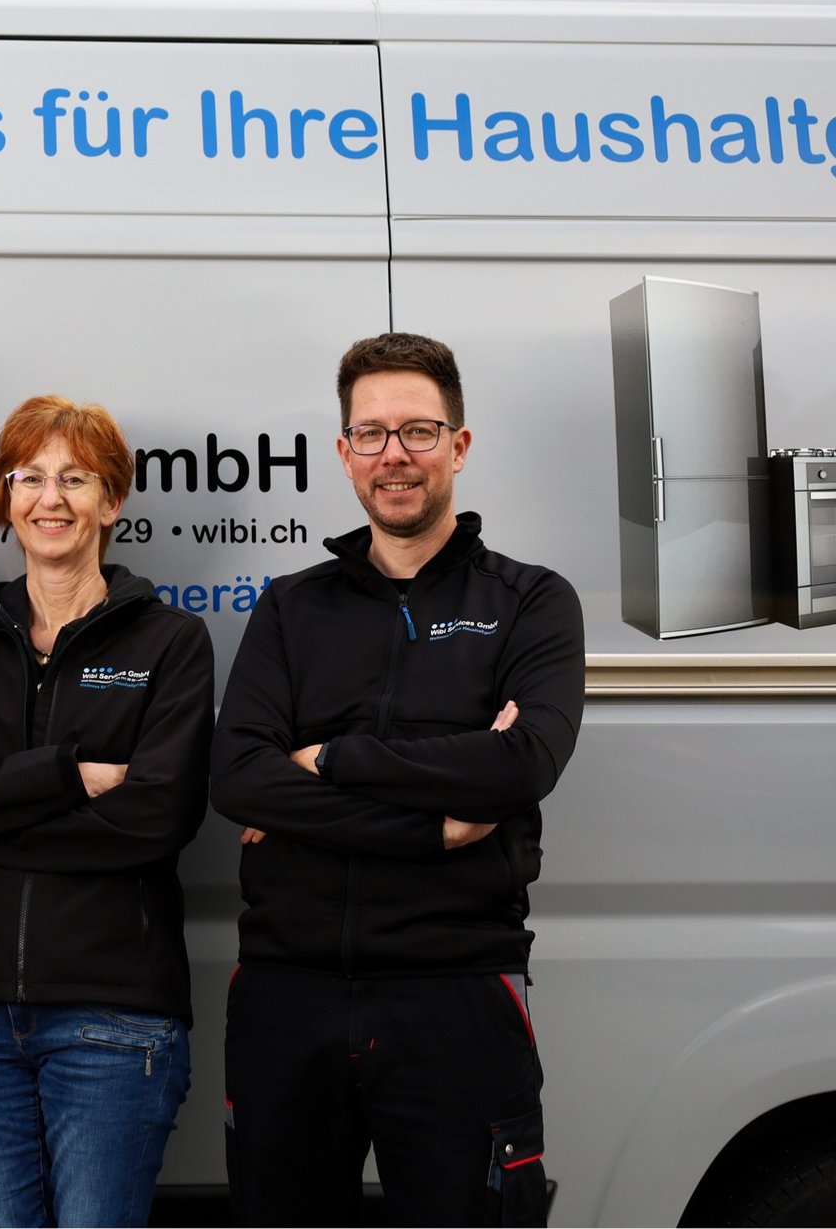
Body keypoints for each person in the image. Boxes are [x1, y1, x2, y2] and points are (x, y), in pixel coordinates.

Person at [210, 332, 585, 1226]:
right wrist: (430, 823)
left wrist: (333, 759)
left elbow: (522, 761)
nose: (394, 456)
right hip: (285, 996)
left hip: (453, 992)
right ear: (342, 454)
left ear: (459, 444)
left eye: (418, 430)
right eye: (371, 434)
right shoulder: (292, 607)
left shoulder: (530, 600)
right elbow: (239, 776)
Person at [0, 395, 213, 1228]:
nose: (50, 497)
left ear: (113, 500)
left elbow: (155, 819)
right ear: (5, 497)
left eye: (75, 477)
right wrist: (71, 775)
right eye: (29, 476)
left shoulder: (168, 643)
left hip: (116, 1013)